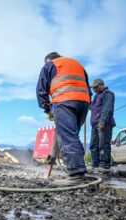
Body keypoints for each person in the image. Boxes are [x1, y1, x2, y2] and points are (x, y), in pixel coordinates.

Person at [36, 52, 92, 183]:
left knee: (68, 137)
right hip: (84, 102)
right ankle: (79, 168)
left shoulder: (49, 65)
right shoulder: (77, 64)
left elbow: (41, 90)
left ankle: (76, 173)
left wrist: (47, 108)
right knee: (72, 136)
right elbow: (88, 89)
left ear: (49, 60)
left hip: (64, 102)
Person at [89, 79, 115, 169]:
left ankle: (104, 165)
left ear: (101, 85)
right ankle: (95, 164)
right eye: (93, 88)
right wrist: (87, 95)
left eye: (95, 87)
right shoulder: (96, 96)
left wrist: (102, 121)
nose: (94, 89)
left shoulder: (108, 94)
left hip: (104, 123)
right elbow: (91, 107)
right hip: (94, 124)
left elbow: (107, 108)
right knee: (93, 145)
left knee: (103, 144)